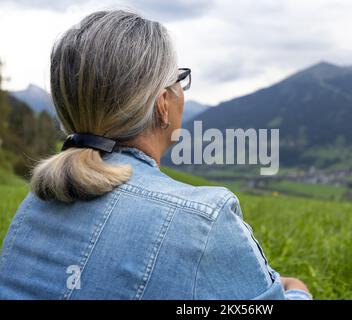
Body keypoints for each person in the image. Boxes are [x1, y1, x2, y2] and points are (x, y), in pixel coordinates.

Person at [0, 10, 311, 300]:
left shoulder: (38, 205)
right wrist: (296, 290)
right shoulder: (203, 220)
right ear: (162, 103)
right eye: (179, 78)